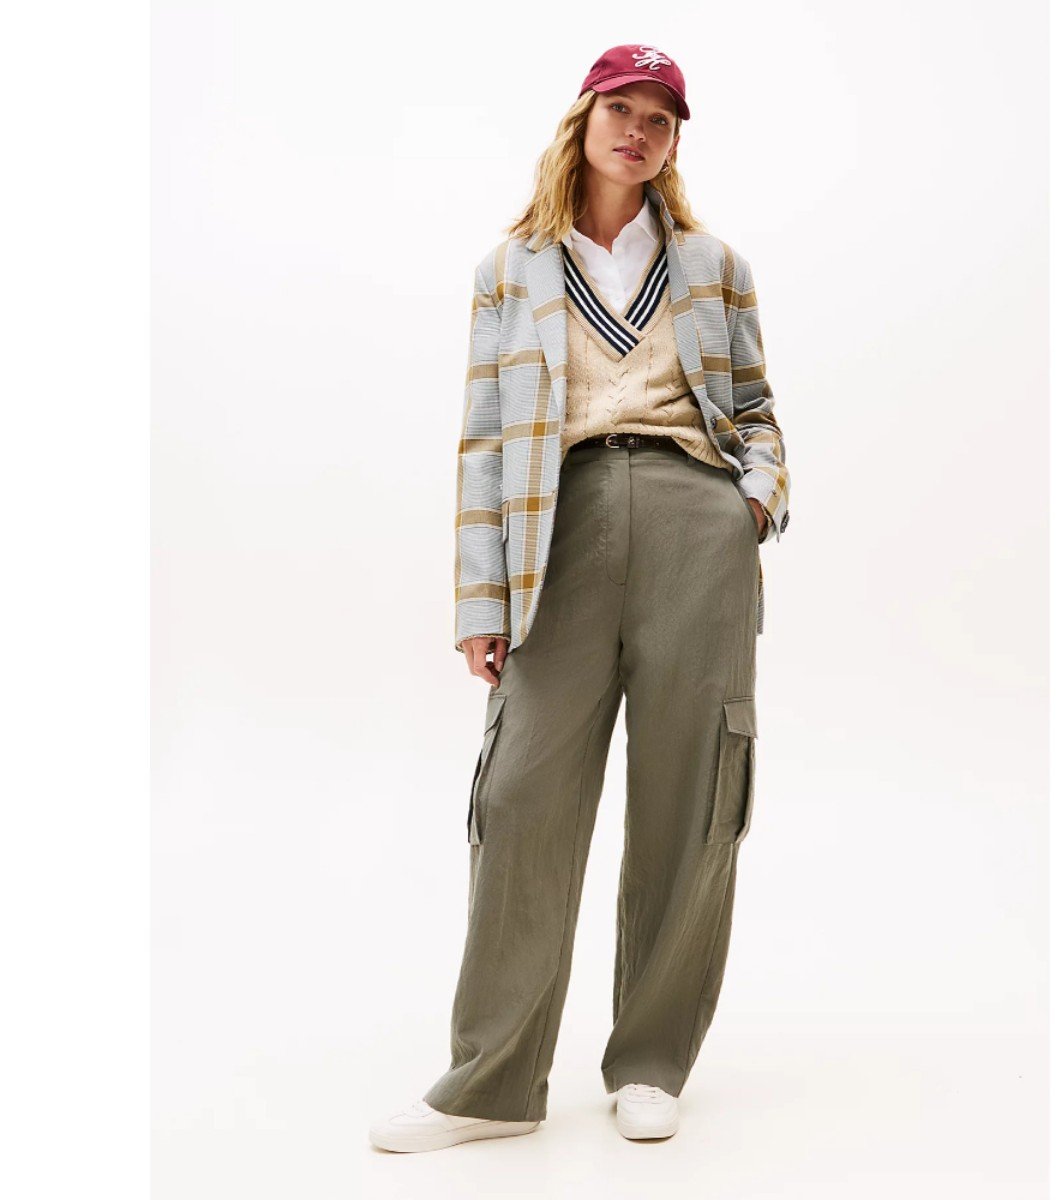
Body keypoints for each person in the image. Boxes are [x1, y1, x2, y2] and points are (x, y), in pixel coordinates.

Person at [370, 43, 790, 1154]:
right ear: (584, 119)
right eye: (622, 110)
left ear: (674, 142)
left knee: (691, 794)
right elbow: (484, 441)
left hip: (697, 525)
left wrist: (751, 503)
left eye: (660, 118)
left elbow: (755, 408)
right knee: (520, 796)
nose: (637, 132)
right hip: (557, 528)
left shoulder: (714, 265)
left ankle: (650, 1060)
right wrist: (480, 599)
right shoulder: (511, 269)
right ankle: (492, 1082)